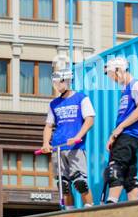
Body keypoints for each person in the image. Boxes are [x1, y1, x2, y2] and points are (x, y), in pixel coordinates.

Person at [39, 68, 96, 208]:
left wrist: (77, 137)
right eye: (55, 83)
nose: (56, 86)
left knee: (80, 182)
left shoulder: (81, 98)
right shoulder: (54, 104)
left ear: (67, 81)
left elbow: (89, 120)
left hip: (75, 147)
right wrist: (46, 143)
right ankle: (69, 211)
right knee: (63, 184)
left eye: (59, 82)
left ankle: (90, 208)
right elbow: (48, 126)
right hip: (58, 148)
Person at [103, 56, 138, 202]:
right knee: (130, 175)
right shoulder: (124, 90)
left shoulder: (136, 85)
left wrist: (120, 128)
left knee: (115, 168)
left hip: (129, 134)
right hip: (125, 135)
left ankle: (111, 203)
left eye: (113, 76)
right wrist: (114, 135)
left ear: (119, 70)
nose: (113, 79)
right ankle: (133, 208)